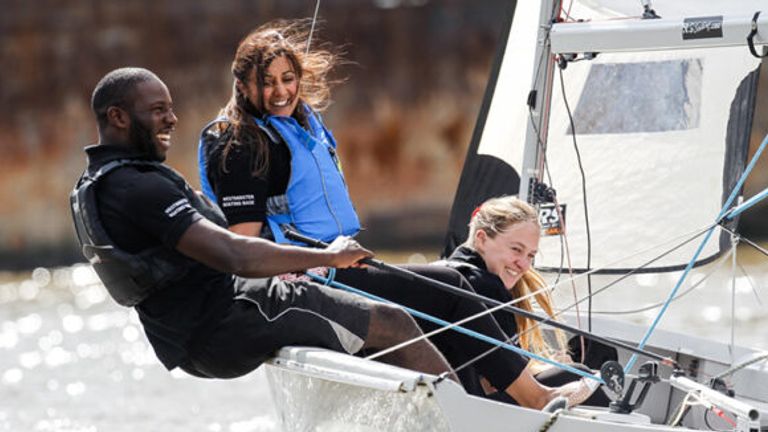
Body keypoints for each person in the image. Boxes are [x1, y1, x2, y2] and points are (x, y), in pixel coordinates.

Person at [197, 20, 596, 408]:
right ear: (243, 85)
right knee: (455, 289)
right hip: (309, 274)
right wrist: (313, 265)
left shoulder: (297, 124)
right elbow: (245, 247)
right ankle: (532, 397)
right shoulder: (240, 146)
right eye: (267, 82)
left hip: (337, 261)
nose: (281, 91)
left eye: (288, 78)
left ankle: (487, 396)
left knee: (461, 288)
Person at [70, 67, 458, 382]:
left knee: (367, 335)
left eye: (169, 108)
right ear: (117, 117)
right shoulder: (137, 187)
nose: (172, 118)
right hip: (226, 321)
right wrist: (327, 256)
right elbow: (232, 253)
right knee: (394, 322)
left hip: (187, 338)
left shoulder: (99, 182)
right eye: (158, 109)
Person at [440, 196, 611, 406]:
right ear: (481, 239)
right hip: (474, 407)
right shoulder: (484, 285)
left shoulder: (446, 270)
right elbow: (499, 380)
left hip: (449, 397)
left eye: (530, 255)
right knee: (579, 374)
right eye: (516, 249)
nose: (524, 264)